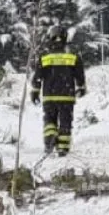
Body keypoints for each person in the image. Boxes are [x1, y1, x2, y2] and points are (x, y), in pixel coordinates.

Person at [30, 25, 86, 156]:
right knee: (65, 122)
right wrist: (81, 88)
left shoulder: (44, 58)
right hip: (67, 96)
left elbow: (37, 77)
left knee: (49, 120)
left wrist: (35, 92)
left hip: (49, 97)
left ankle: (49, 139)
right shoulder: (73, 58)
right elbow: (80, 75)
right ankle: (63, 148)